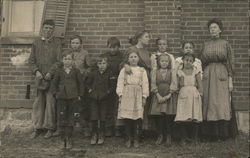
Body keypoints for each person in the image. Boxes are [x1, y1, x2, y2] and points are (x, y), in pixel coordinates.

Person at [201, 18, 237, 140]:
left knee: (221, 103)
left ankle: (223, 134)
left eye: (215, 27)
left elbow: (230, 63)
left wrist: (230, 79)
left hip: (222, 74)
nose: (212, 30)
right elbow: (202, 63)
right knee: (209, 102)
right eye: (210, 28)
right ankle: (211, 134)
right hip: (208, 75)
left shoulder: (225, 44)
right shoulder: (205, 44)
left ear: (220, 30)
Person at [53, 35, 92, 137]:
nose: (75, 45)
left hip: (79, 84)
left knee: (80, 108)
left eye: (77, 43)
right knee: (63, 109)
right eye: (73, 43)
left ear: (81, 44)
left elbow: (89, 67)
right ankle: (60, 128)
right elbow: (61, 69)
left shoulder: (85, 54)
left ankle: (84, 128)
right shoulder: (67, 54)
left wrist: (84, 74)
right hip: (66, 86)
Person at [29, 19, 62, 139]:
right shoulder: (36, 43)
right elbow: (31, 60)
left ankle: (50, 128)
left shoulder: (57, 43)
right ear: (42, 28)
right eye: (46, 28)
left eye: (50, 28)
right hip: (39, 79)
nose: (48, 30)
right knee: (38, 103)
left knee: (50, 103)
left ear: (53, 30)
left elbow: (59, 62)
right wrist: (36, 71)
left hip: (51, 79)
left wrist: (50, 73)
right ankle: (38, 128)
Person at [51, 52, 84, 149]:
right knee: (62, 117)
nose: (67, 61)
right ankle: (62, 139)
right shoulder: (59, 71)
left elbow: (81, 84)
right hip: (62, 98)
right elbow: (54, 84)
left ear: (72, 61)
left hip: (73, 98)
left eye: (69, 59)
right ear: (62, 60)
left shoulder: (76, 71)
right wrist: (56, 94)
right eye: (65, 59)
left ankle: (69, 138)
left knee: (71, 118)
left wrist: (80, 95)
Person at [116, 51, 149, 148]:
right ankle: (128, 138)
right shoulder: (124, 70)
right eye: (131, 57)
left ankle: (136, 138)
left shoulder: (142, 70)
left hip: (138, 94)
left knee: (137, 118)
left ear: (138, 59)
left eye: (135, 57)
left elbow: (145, 84)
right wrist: (120, 94)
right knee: (127, 117)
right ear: (128, 59)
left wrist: (144, 96)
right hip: (127, 94)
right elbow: (120, 82)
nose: (133, 58)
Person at [174, 53, 203, 144]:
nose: (188, 62)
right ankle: (183, 138)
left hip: (194, 94)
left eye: (190, 61)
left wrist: (200, 94)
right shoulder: (179, 71)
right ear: (183, 61)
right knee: (183, 116)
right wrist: (180, 80)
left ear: (193, 62)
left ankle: (194, 138)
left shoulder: (196, 71)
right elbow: (178, 84)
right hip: (183, 94)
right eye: (186, 60)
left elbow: (200, 84)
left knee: (195, 116)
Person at [86, 55, 114, 145]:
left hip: (104, 98)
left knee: (103, 116)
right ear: (97, 65)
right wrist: (90, 90)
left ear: (107, 64)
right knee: (94, 116)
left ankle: (101, 134)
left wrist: (108, 91)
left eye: (104, 63)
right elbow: (87, 83)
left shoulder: (110, 74)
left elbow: (112, 85)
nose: (102, 65)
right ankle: (94, 134)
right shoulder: (93, 73)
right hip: (94, 97)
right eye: (100, 63)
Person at [149, 54, 175, 146]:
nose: (164, 63)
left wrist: (169, 95)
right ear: (159, 62)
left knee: (168, 117)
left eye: (166, 61)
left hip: (168, 95)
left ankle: (169, 136)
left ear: (169, 62)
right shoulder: (155, 72)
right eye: (162, 61)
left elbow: (173, 83)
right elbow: (153, 84)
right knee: (159, 116)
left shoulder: (172, 72)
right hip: (158, 95)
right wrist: (158, 95)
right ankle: (160, 135)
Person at [103, 37, 124, 137]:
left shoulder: (122, 57)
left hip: (118, 83)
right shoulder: (104, 56)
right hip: (107, 84)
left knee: (118, 106)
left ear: (118, 47)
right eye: (111, 47)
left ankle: (118, 128)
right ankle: (108, 127)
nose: (113, 50)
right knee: (108, 106)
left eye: (115, 47)